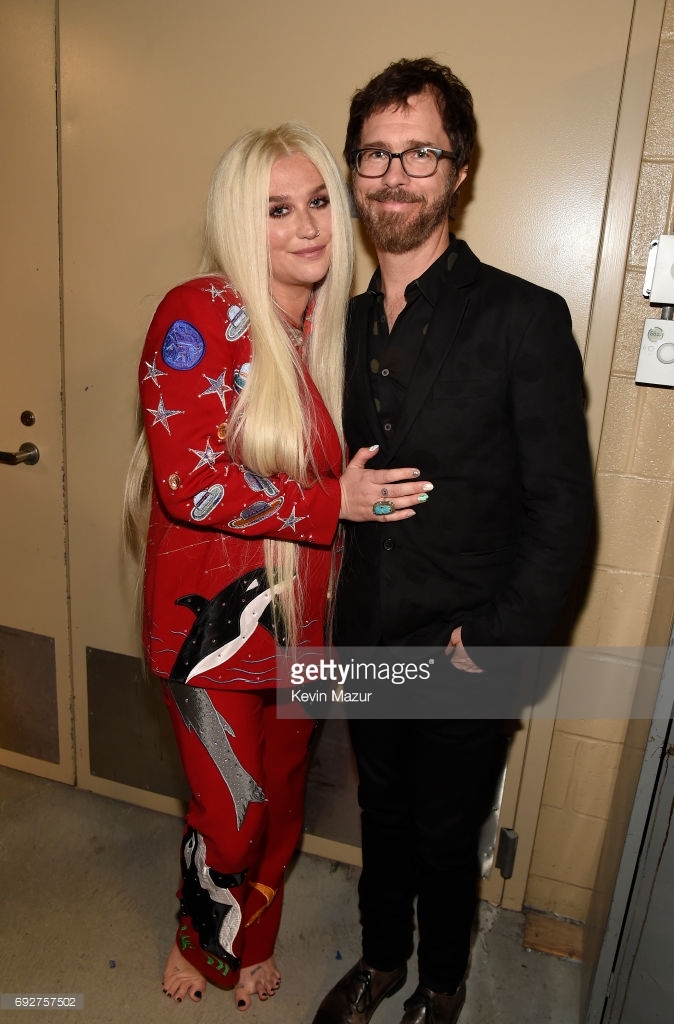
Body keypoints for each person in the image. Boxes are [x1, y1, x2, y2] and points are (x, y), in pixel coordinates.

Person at [124, 122, 432, 1012]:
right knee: (233, 812)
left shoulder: (336, 332)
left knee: (284, 798)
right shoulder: (199, 315)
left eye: (320, 202)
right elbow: (190, 483)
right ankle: (202, 935)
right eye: (277, 209)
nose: (307, 226)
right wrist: (334, 503)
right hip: (210, 633)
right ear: (238, 221)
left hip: (308, 626)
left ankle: (252, 936)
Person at [312, 59, 594, 1024]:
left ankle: (440, 985)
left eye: (420, 153)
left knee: (444, 832)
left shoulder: (524, 318)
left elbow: (563, 508)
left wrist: (497, 640)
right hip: (367, 633)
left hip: (467, 645)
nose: (395, 175)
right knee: (381, 816)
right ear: (354, 171)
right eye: (375, 155)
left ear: (459, 170)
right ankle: (380, 961)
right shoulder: (334, 327)